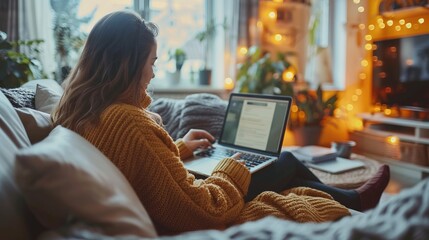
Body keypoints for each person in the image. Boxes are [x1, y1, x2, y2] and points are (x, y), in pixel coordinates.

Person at [52, 10, 390, 235]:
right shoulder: (129, 123)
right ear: (128, 62)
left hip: (166, 198)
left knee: (283, 166)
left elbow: (141, 163)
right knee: (284, 161)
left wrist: (178, 148)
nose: (153, 73)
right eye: (151, 62)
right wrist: (228, 168)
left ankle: (354, 199)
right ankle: (355, 201)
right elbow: (203, 212)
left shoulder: (82, 108)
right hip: (200, 211)